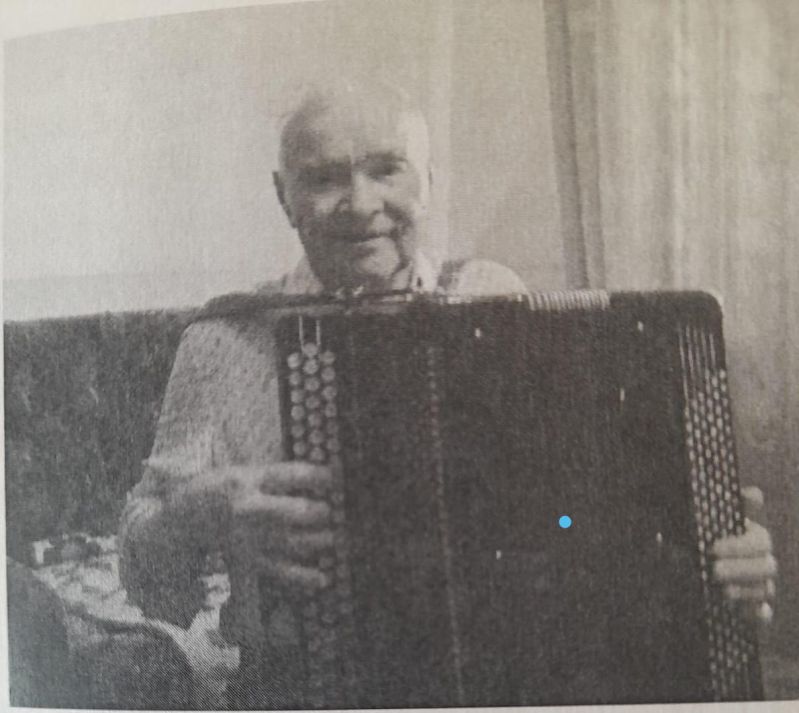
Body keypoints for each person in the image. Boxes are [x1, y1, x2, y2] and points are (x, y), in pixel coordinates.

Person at [118, 79, 777, 707]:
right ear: (282, 196)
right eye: (324, 178)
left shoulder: (495, 297)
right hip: (304, 690)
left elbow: (576, 513)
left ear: (428, 182)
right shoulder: (225, 340)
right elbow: (145, 584)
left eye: (387, 169)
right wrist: (195, 512)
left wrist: (709, 547)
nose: (360, 204)